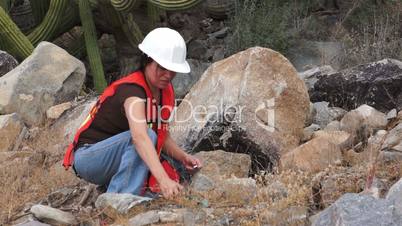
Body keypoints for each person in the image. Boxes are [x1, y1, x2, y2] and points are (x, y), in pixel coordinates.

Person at [63, 27, 202, 198]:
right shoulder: (132, 92)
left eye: (172, 70)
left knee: (155, 143)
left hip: (112, 156)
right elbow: (139, 138)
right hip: (88, 159)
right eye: (162, 68)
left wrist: (183, 157)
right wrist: (163, 180)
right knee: (145, 137)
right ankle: (120, 200)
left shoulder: (163, 90)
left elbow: (162, 135)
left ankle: (117, 189)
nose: (168, 75)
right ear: (147, 61)